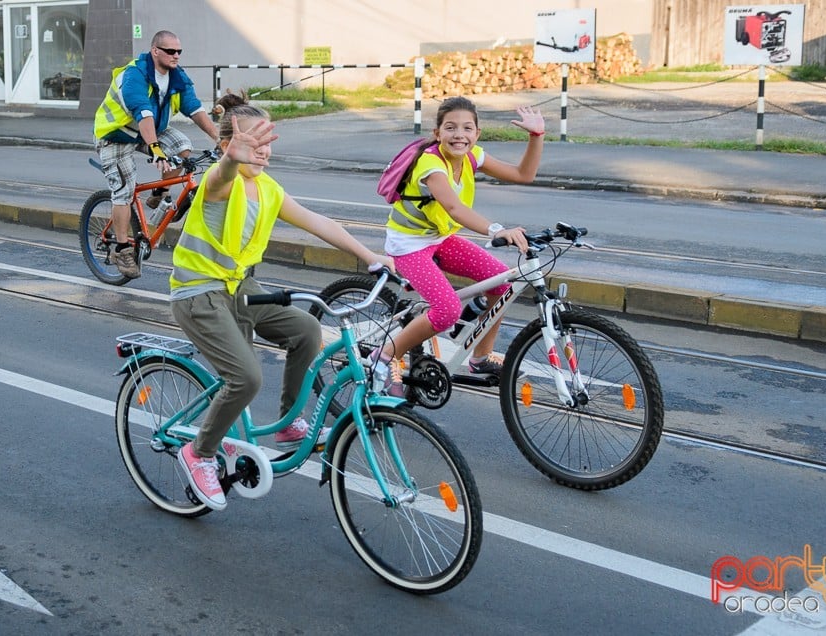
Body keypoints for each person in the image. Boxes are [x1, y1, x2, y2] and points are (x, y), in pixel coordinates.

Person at [171, 91, 394, 511]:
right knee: (246, 378)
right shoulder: (220, 184)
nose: (263, 151)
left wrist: (371, 257)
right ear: (228, 146)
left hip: (239, 288)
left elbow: (318, 222)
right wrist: (231, 160)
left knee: (307, 329)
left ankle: (290, 423)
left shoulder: (268, 189)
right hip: (199, 292)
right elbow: (220, 178)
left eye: (267, 142)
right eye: (253, 143)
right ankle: (198, 452)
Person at [372, 97, 544, 392]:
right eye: (450, 128)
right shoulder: (430, 163)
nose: (459, 135)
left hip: (440, 239)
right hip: (409, 246)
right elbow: (453, 208)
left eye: (467, 128)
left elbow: (523, 174)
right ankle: (384, 356)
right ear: (438, 133)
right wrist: (496, 230)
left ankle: (480, 357)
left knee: (502, 283)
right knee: (447, 310)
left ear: (477, 134)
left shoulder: (472, 156)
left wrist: (536, 136)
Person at [93, 30, 219, 279]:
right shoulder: (135, 75)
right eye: (171, 51)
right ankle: (121, 248)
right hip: (116, 134)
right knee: (124, 191)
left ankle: (160, 193)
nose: (176, 56)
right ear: (155, 51)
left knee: (183, 149)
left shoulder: (176, 76)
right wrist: (156, 150)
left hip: (149, 131)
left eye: (179, 51)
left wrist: (219, 139)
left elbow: (194, 108)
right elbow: (143, 113)